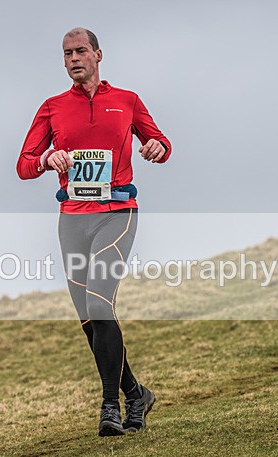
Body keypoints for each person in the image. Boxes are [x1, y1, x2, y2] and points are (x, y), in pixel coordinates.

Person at [17, 28, 171, 436]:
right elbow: (24, 164)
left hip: (116, 214)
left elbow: (159, 141)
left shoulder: (127, 100)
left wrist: (157, 148)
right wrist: (48, 160)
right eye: (67, 53)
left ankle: (109, 407)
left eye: (80, 51)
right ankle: (136, 394)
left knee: (101, 304)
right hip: (72, 218)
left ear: (98, 55)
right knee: (89, 317)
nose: (73, 59)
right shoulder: (52, 107)